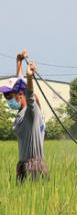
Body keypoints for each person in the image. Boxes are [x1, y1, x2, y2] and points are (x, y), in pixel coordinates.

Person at [0, 50, 48, 182]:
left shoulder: (31, 113)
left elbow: (30, 96)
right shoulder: (21, 113)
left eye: (9, 96)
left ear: (20, 95)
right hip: (23, 167)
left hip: (34, 168)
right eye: (6, 97)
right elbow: (21, 84)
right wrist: (19, 62)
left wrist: (30, 76)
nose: (8, 100)